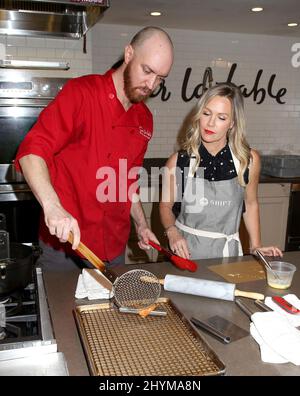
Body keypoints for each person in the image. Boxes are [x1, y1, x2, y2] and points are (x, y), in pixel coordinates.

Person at [14, 26, 174, 271]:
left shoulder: (144, 119)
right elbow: (31, 151)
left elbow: (126, 181)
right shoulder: (81, 94)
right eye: (147, 71)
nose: (151, 85)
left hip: (113, 248)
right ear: (129, 54)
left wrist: (141, 224)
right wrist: (53, 207)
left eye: (160, 78)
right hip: (65, 244)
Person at [159, 82, 282, 260]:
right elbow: (165, 206)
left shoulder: (248, 160)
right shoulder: (178, 161)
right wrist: (172, 232)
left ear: (232, 123)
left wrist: (256, 246)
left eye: (221, 118)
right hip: (184, 254)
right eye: (206, 113)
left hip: (227, 256)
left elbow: (251, 204)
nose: (210, 123)